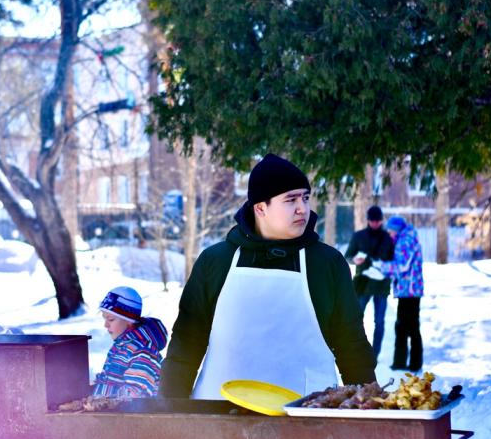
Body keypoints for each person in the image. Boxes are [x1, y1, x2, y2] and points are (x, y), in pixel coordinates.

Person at [159, 153, 376, 399]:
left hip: (308, 417)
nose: (302, 208)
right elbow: (187, 341)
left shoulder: (327, 263)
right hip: (217, 417)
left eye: (305, 198)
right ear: (260, 208)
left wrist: (368, 406)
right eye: (290, 199)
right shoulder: (216, 261)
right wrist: (169, 409)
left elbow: (351, 344)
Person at [92, 286, 168, 398]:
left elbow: (133, 395)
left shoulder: (144, 352)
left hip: (135, 415)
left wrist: (100, 397)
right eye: (105, 319)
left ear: (129, 322)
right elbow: (111, 380)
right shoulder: (121, 347)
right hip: (113, 413)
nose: (106, 325)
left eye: (111, 319)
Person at [372, 216, 424, 372]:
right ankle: (412, 363)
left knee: (404, 326)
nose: (389, 233)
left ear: (397, 229)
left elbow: (401, 266)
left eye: (391, 230)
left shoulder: (405, 241)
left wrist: (381, 266)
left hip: (409, 290)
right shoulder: (408, 238)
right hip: (410, 289)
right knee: (410, 326)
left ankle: (403, 363)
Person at [344, 205, 395, 361]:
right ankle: (355, 349)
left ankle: (375, 354)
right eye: (372, 221)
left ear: (381, 221)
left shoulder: (387, 238)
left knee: (379, 321)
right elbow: (348, 255)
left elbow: (394, 260)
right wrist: (354, 259)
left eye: (377, 221)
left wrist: (384, 265)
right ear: (368, 220)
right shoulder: (358, 236)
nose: (375, 224)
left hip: (381, 285)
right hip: (362, 284)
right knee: (356, 318)